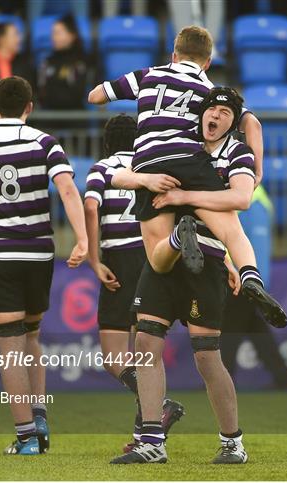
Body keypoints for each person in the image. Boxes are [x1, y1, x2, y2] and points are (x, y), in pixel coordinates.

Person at [88, 27, 287, 329]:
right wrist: (258, 171)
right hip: (191, 162)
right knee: (232, 231)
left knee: (157, 260)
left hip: (150, 164)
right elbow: (253, 125)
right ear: (207, 62)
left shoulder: (148, 75)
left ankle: (180, 236)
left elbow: (96, 96)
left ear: (174, 55)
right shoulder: (208, 90)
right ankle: (251, 275)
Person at [108, 88, 267, 465]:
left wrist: (184, 198)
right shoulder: (182, 144)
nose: (214, 116)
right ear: (200, 114)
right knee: (146, 344)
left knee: (207, 357)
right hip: (168, 258)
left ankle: (232, 442)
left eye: (225, 113)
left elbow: (240, 198)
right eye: (210, 108)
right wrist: (148, 181)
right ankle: (152, 441)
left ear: (235, 121)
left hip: (207, 259)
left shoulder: (237, 153)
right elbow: (119, 177)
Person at [0, 76, 88, 455]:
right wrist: (83, 239)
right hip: (39, 252)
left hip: (0, 255)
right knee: (32, 338)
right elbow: (69, 189)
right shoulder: (45, 142)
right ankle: (39, 415)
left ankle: (27, 438)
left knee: (10, 348)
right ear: (30, 107)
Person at [83, 114, 185, 452]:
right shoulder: (150, 166)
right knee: (146, 353)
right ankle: (145, 433)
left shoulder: (103, 168)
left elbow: (90, 205)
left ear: (108, 141)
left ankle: (160, 407)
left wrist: (93, 257)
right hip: (155, 256)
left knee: (115, 358)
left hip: (121, 261)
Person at [38, 14, 88, 110]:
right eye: (53, 33)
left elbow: (78, 94)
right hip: (49, 115)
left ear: (71, 35)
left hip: (75, 116)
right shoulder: (47, 62)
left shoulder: (80, 62)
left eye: (58, 33)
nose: (54, 37)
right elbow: (42, 92)